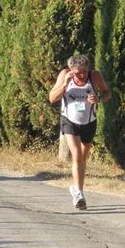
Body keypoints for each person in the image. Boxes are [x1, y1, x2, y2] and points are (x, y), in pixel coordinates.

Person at [49, 53, 111, 210]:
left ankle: (75, 188)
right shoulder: (64, 75)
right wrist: (64, 85)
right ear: (71, 70)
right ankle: (80, 196)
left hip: (89, 121)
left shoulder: (95, 76)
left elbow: (107, 93)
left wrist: (98, 99)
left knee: (82, 158)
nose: (82, 75)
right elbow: (52, 98)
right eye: (78, 73)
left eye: (84, 71)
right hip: (69, 120)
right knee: (76, 155)